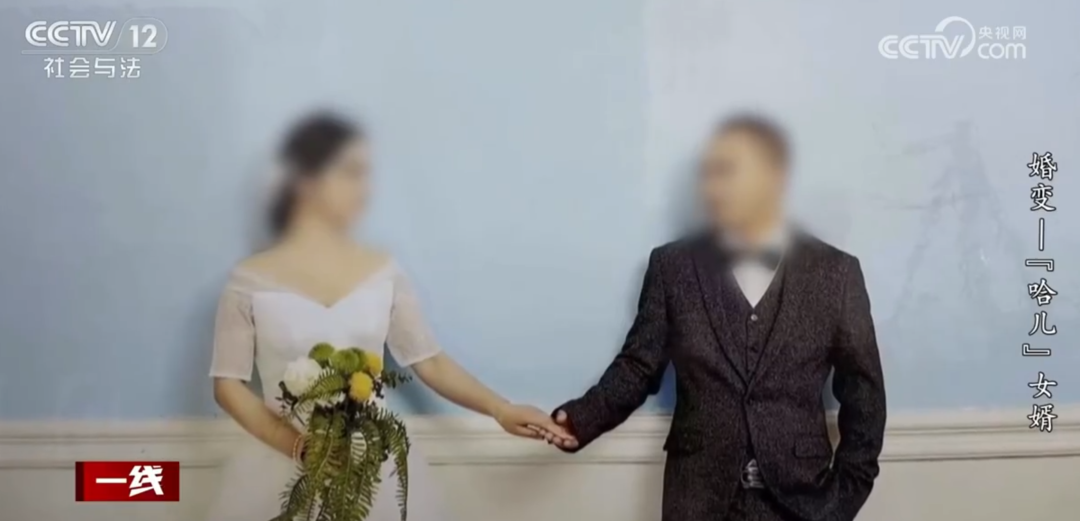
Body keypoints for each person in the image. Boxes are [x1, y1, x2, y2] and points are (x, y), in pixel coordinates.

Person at [205, 111, 574, 520]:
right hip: (278, 465)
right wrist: (298, 447)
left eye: (366, 174)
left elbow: (429, 361)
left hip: (371, 462)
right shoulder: (249, 279)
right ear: (305, 180)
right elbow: (228, 384)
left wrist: (501, 409)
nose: (365, 189)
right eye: (351, 172)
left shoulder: (383, 271)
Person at [542, 115, 886, 521]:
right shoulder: (672, 266)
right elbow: (637, 367)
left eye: (727, 171)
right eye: (707, 174)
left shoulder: (836, 273)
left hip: (804, 503)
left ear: (773, 177)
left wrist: (841, 500)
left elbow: (865, 394)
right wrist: (579, 420)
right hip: (697, 501)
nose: (712, 187)